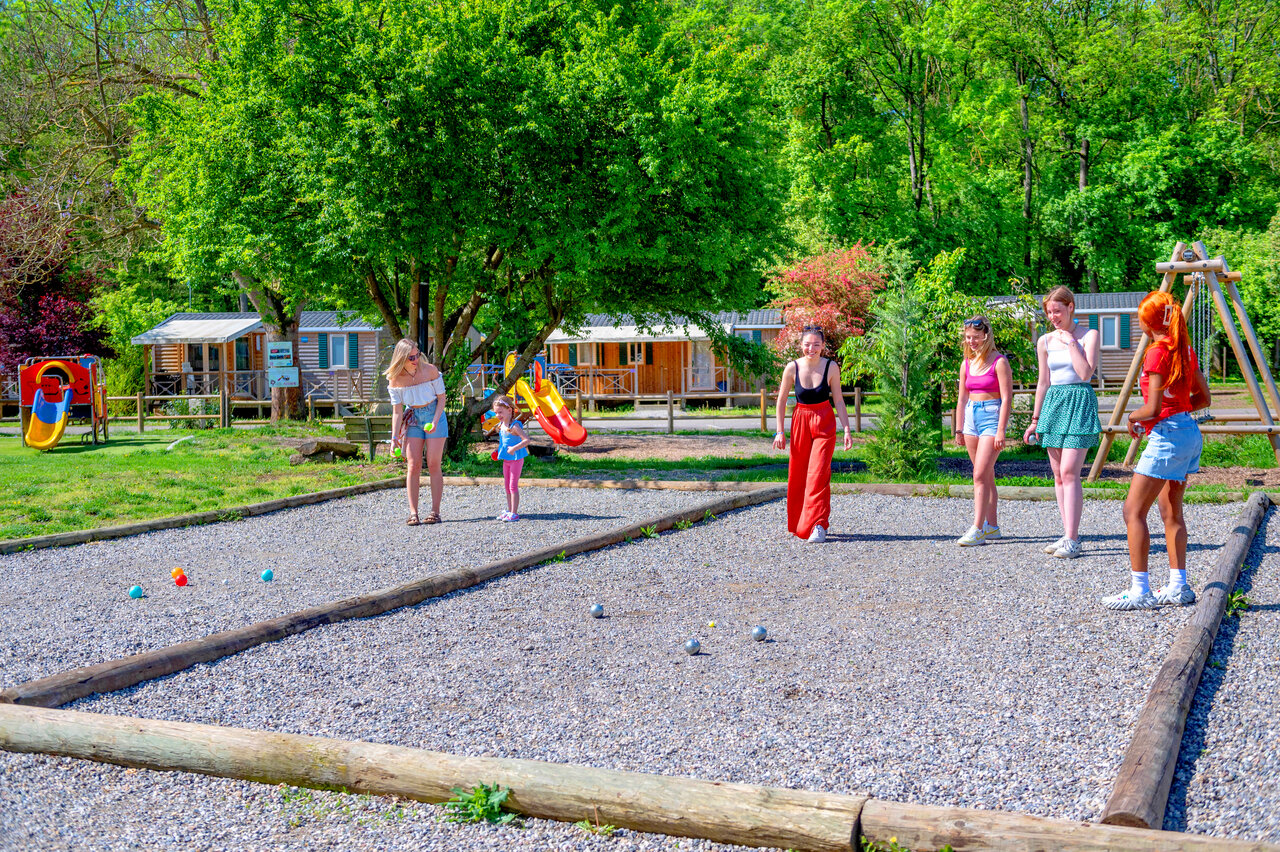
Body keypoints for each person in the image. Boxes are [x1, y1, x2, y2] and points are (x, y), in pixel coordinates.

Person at [1103, 292, 1211, 611]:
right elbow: (1203, 398)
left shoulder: (1156, 353)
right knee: (1171, 513)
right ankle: (1178, 586)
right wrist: (1173, 411)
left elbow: (1150, 407)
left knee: (1132, 511)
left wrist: (1131, 418)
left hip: (1167, 437)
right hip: (1188, 431)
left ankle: (1140, 590)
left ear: (1148, 322)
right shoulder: (1185, 350)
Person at [1022, 286, 1101, 558]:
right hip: (1053, 405)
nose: (1053, 316)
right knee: (1058, 475)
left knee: (1070, 472)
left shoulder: (1090, 335)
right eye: (1049, 312)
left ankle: (1073, 539)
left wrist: (1070, 342)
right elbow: (1043, 382)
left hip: (1079, 402)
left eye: (1057, 310)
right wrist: (1035, 419)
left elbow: (1084, 373)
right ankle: (1067, 533)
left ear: (1071, 307)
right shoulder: (1044, 341)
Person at [773, 327, 853, 543]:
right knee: (799, 474)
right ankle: (801, 522)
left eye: (816, 344)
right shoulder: (792, 368)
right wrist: (779, 431)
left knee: (818, 474)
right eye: (808, 344)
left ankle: (818, 524)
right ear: (801, 345)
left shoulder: (831, 367)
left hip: (824, 422)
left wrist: (846, 428)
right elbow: (781, 401)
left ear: (823, 346)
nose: (812, 348)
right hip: (800, 421)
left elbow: (838, 400)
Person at [953, 316, 1013, 546]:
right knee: (986, 475)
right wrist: (959, 428)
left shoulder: (999, 362)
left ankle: (977, 528)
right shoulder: (966, 363)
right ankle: (992, 526)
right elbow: (961, 399)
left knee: (979, 475)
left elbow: (1007, 398)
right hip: (970, 419)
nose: (971, 341)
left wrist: (1001, 431)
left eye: (976, 337)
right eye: (968, 337)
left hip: (991, 416)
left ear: (986, 335)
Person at [386, 338, 448, 526]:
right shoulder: (395, 379)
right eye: (411, 357)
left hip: (434, 414)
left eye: (417, 354)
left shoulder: (430, 370)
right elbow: (397, 412)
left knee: (433, 463)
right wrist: (394, 438)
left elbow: (442, 398)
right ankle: (413, 513)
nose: (415, 359)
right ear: (401, 358)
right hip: (413, 418)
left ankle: (435, 512)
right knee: (412, 465)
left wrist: (435, 421)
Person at [491, 394, 531, 522]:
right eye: (496, 412)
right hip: (506, 460)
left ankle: (514, 513)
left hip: (516, 459)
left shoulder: (514, 426)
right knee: (507, 486)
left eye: (500, 412)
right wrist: (498, 451)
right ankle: (509, 510)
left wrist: (514, 448)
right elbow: (504, 442)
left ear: (509, 410)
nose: (498, 415)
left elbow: (526, 440)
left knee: (513, 486)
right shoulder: (502, 425)